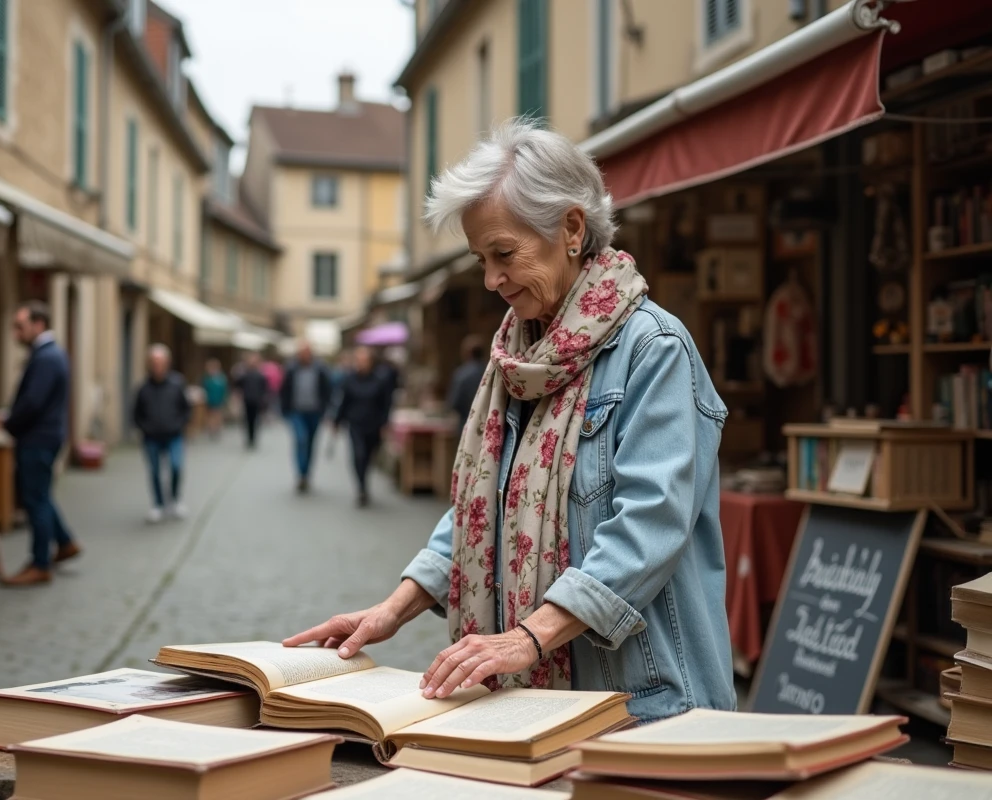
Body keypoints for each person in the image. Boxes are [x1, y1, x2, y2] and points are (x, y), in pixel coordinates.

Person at [286, 120, 735, 723]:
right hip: (537, 705)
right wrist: (393, 608)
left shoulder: (654, 350)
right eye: (480, 259)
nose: (492, 279)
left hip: (642, 701)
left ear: (571, 228)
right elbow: (483, 512)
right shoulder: (518, 357)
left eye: (504, 253)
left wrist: (527, 637)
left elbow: (649, 527)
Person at [2, 302, 79, 586]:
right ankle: (65, 542)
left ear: (38, 324)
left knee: (35, 500)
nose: (16, 333)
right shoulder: (49, 355)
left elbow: (33, 402)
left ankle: (40, 563)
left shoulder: (46, 357)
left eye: (20, 326)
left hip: (38, 438)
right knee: (42, 495)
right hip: (45, 436)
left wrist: (9, 424)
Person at [133, 344, 191, 524]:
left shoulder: (177, 383)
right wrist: (145, 427)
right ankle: (157, 504)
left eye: (161, 362)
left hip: (174, 435)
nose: (158, 366)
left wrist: (180, 424)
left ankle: (174, 500)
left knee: (176, 467)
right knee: (155, 472)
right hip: (151, 437)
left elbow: (186, 408)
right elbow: (136, 413)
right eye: (154, 362)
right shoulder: (143, 387)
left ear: (167, 363)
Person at [332, 346, 392, 507]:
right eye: (358, 360)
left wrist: (385, 423)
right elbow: (344, 402)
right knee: (358, 455)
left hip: (373, 424)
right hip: (355, 423)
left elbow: (385, 404)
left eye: (364, 360)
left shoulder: (379, 380)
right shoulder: (349, 379)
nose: (361, 363)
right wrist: (336, 421)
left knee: (368, 455)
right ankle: (361, 487)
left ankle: (364, 479)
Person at [279, 341, 334, 493]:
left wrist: (327, 411)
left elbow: (327, 391)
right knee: (301, 439)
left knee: (310, 443)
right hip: (296, 411)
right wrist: (284, 411)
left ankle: (306, 474)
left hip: (314, 412)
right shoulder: (291, 369)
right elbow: (283, 391)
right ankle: (300, 473)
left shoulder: (321, 369)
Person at [446, 335, 487, 438]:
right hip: (488, 426)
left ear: (467, 353)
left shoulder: (461, 375)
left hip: (466, 424)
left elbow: (454, 403)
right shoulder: (490, 373)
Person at [235, 351, 270, 449]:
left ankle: (253, 438)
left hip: (256, 400)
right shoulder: (245, 374)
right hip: (247, 400)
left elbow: (264, 388)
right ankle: (249, 438)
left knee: (255, 420)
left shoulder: (260, 375)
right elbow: (238, 384)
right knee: (248, 420)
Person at [202, 359, 229, 439]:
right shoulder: (207, 378)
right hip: (209, 400)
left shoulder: (221, 378)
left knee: (217, 414)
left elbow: (225, 389)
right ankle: (211, 429)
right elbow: (204, 388)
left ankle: (216, 428)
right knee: (210, 415)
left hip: (218, 399)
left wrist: (224, 398)